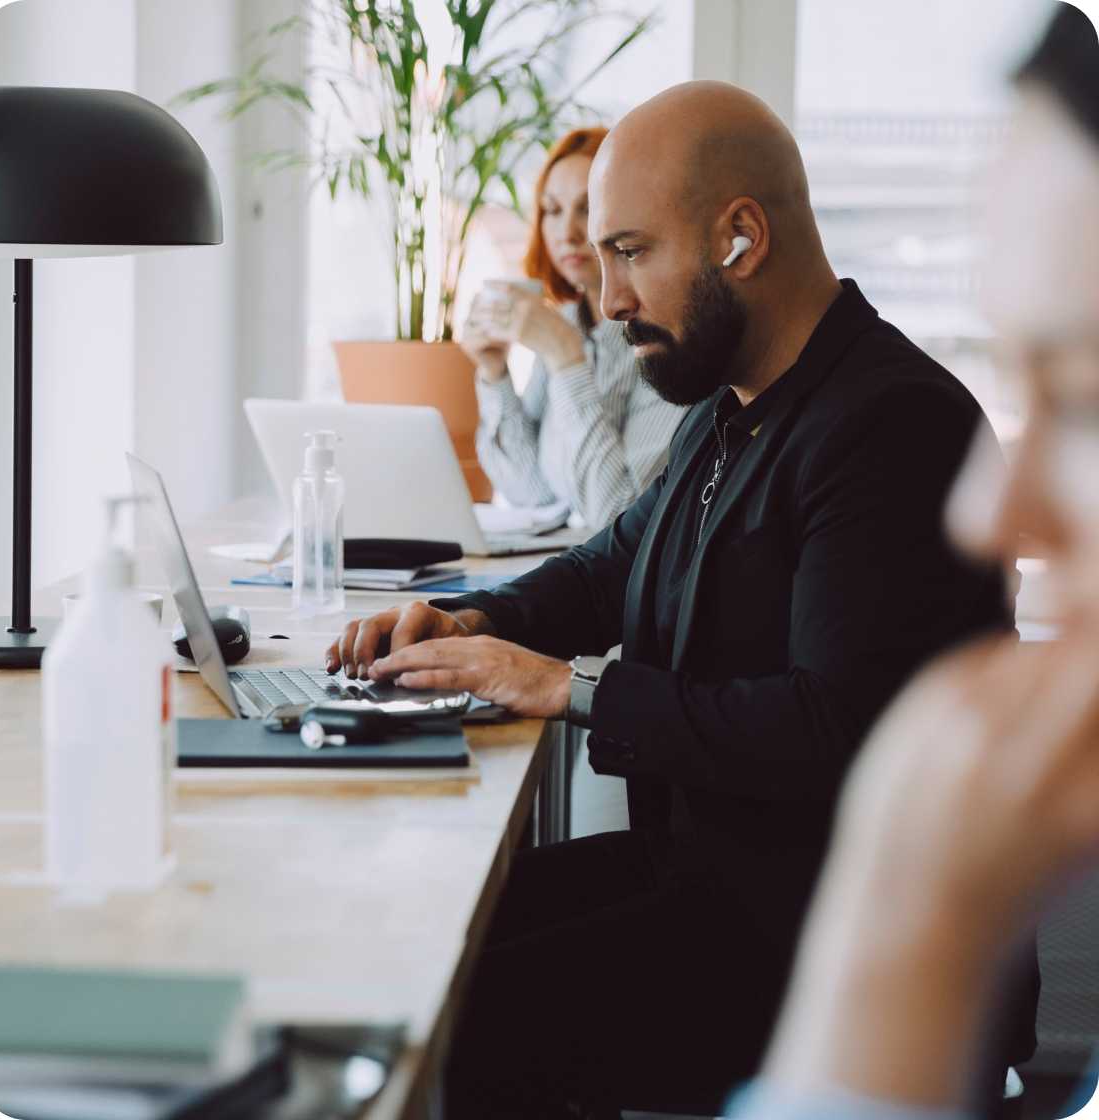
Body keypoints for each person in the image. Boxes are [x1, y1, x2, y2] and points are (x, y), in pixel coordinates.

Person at [325, 82, 1036, 1116]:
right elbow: (612, 563)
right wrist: (476, 627)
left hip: (842, 948)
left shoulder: (891, 426)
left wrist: (565, 689)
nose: (607, 300)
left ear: (740, 239)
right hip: (718, 883)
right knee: (421, 940)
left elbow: (835, 728)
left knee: (467, 1012)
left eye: (628, 252)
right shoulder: (730, 402)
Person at [731, 5, 1099, 1119]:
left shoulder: (875, 414)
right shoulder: (727, 416)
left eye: (1083, 394)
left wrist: (902, 954)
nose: (991, 517)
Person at [462, 126, 686, 530]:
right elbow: (533, 492)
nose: (566, 233)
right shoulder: (568, 321)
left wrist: (567, 358)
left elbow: (621, 520)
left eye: (587, 208)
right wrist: (494, 373)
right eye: (552, 210)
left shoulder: (664, 335)